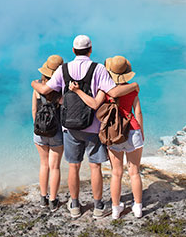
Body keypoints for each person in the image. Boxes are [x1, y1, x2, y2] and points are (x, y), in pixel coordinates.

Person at [31, 35, 139, 218]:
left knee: (74, 166)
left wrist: (34, 83)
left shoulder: (63, 69)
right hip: (93, 127)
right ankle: (98, 207)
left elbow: (44, 90)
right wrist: (135, 86)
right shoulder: (98, 69)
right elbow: (113, 92)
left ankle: (74, 205)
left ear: (73, 51)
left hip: (69, 128)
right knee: (95, 166)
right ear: (90, 50)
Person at [69, 56, 144, 219]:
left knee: (116, 173)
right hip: (133, 130)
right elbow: (137, 112)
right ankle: (138, 207)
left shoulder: (105, 90)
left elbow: (95, 105)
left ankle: (116, 209)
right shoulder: (133, 89)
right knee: (134, 172)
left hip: (113, 133)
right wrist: (141, 132)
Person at [32, 55, 64, 212]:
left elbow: (34, 110)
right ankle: (53, 200)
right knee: (55, 167)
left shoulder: (37, 87)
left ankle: (42, 198)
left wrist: (39, 126)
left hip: (39, 131)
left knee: (44, 165)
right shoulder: (60, 89)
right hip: (56, 132)